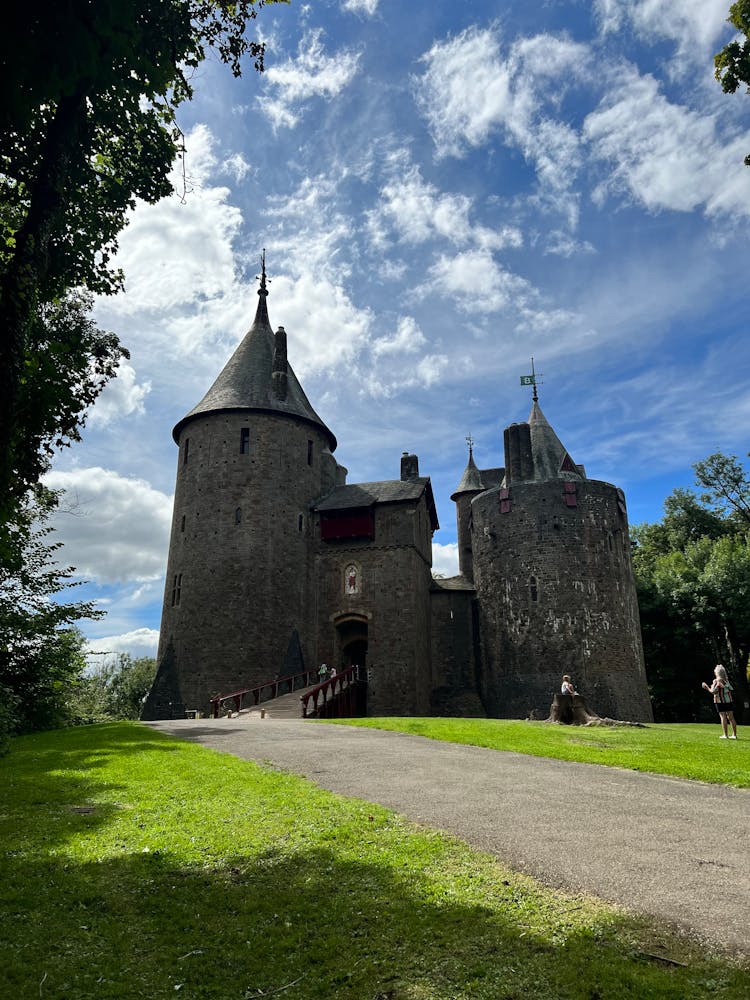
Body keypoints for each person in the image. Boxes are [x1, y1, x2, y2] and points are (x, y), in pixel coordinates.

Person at [702, 664, 738, 739]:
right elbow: (730, 689)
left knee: (723, 717)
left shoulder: (717, 681)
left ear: (717, 673)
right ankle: (734, 735)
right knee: (731, 717)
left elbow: (713, 691)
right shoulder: (726, 680)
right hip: (729, 701)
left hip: (719, 701)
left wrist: (706, 687)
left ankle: (725, 735)